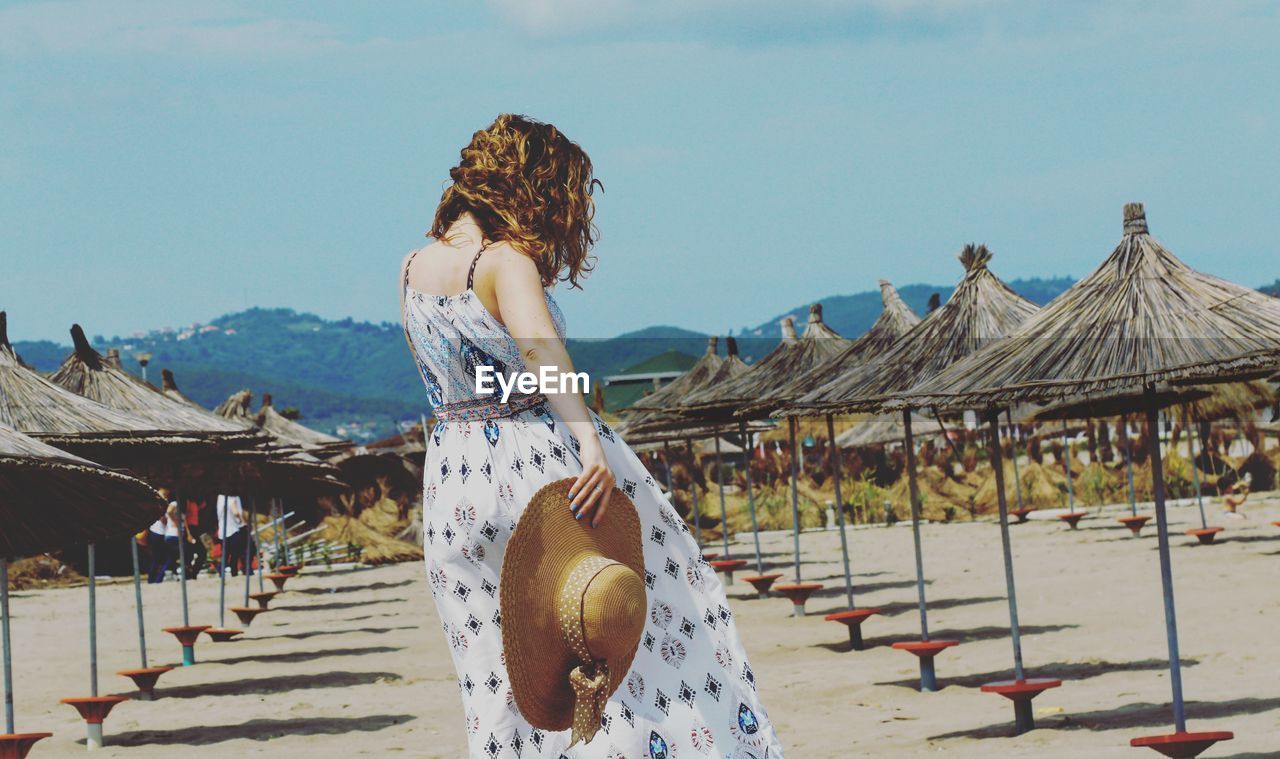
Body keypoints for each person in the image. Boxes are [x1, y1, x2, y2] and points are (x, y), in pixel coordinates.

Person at [400, 114, 783, 757]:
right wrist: (591, 445)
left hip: (453, 483)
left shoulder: (412, 265)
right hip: (532, 463)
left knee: (500, 679)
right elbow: (544, 359)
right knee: (642, 636)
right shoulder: (503, 262)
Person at [215, 494, 251, 576]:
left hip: (223, 531)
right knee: (235, 552)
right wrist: (242, 521)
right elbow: (235, 512)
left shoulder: (220, 498)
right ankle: (233, 570)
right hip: (233, 529)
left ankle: (222, 569)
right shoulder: (231, 498)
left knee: (226, 553)